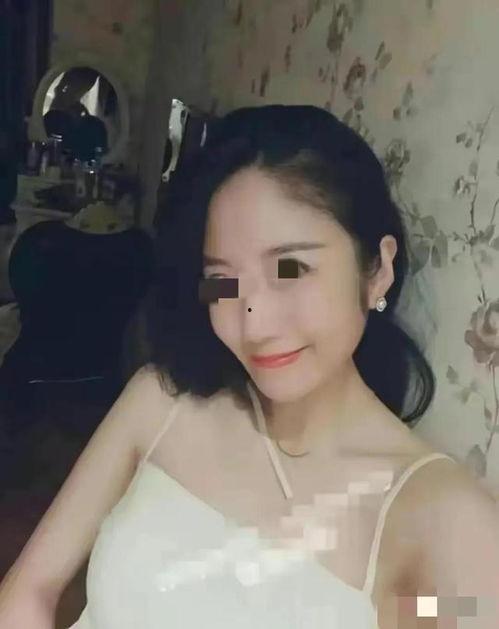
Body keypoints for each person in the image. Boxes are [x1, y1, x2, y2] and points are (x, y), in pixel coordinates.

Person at [1, 105, 498, 628]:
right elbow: (30, 590)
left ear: (377, 270)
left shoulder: (436, 517)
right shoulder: (164, 403)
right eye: (223, 282)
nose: (253, 323)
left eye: (291, 269)